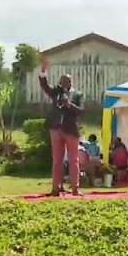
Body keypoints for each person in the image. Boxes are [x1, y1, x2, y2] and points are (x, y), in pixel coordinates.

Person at [38, 57, 83, 196]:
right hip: (56, 129)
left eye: (68, 81)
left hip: (71, 130)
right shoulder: (56, 93)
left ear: (71, 82)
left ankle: (75, 188)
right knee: (57, 160)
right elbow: (44, 85)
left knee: (73, 160)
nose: (65, 83)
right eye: (63, 81)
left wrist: (70, 105)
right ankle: (56, 188)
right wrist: (43, 70)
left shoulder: (77, 95)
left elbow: (81, 111)